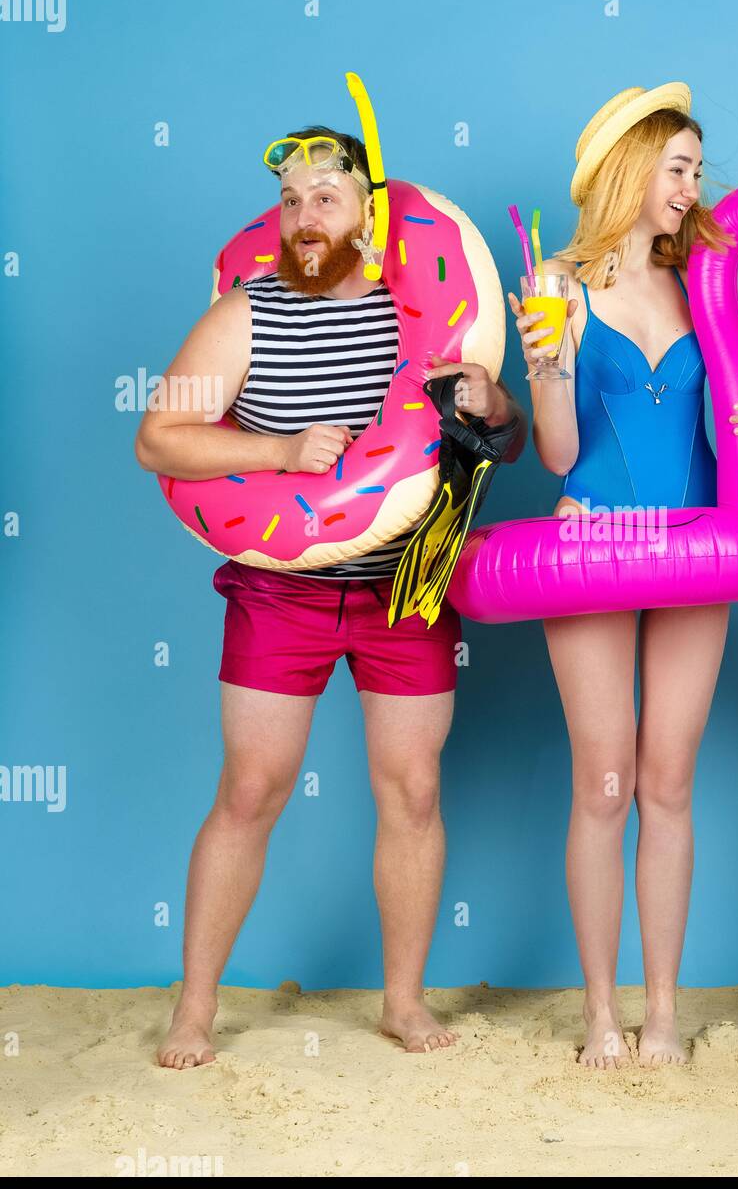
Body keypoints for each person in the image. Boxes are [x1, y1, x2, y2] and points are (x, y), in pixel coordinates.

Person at [135, 127, 522, 1069]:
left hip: (407, 588)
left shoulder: (417, 317)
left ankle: (401, 1001)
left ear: (368, 213)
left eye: (326, 199)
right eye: (292, 201)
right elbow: (160, 437)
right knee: (253, 790)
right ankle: (194, 1010)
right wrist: (278, 451)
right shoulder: (245, 313)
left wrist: (494, 403)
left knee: (415, 790)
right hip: (282, 594)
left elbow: (496, 449)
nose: (304, 218)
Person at [514, 84, 738, 1068]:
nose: (691, 184)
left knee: (668, 778)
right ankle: (600, 1016)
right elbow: (559, 455)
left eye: (697, 166)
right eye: (676, 165)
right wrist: (548, 371)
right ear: (626, 170)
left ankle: (659, 1015)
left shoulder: (707, 280)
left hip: (700, 544)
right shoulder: (555, 284)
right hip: (593, 539)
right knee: (603, 783)